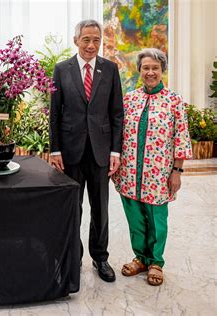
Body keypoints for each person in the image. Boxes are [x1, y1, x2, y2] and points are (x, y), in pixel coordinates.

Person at [49, 19, 124, 282]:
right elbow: (54, 114)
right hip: (70, 152)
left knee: (100, 209)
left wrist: (116, 152)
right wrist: (55, 149)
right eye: (86, 40)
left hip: (102, 152)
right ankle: (73, 256)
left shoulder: (110, 70)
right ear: (76, 40)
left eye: (96, 40)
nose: (91, 45)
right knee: (73, 207)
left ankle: (100, 258)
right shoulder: (61, 69)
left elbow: (117, 114)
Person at [112, 48, 192, 286]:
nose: (150, 72)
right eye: (145, 68)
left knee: (157, 218)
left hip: (158, 174)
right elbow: (119, 133)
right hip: (129, 172)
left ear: (162, 71)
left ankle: (156, 261)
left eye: (155, 68)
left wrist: (177, 172)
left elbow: (181, 138)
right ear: (139, 70)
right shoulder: (130, 99)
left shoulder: (173, 101)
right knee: (135, 218)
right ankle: (140, 258)